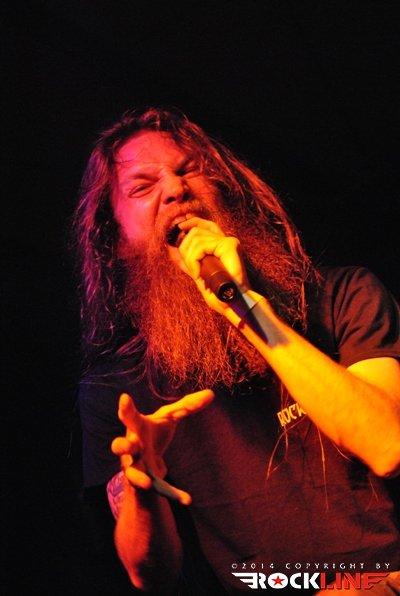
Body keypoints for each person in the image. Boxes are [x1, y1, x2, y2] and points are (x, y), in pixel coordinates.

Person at [75, 107, 400, 594]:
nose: (175, 189)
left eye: (188, 170)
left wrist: (245, 308)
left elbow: (388, 445)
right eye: (142, 187)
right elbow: (149, 575)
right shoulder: (117, 389)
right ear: (114, 240)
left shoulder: (341, 298)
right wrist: (142, 481)